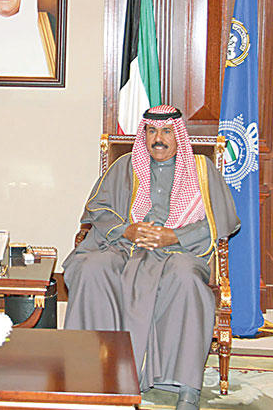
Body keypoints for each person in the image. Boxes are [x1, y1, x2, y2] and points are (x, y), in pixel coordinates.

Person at [63, 105, 240, 410]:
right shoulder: (125, 166)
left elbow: (221, 219)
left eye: (167, 131)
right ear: (143, 134)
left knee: (186, 279)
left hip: (179, 251)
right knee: (92, 268)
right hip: (125, 247)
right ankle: (93, 371)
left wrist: (175, 236)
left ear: (178, 135)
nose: (159, 139)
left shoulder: (201, 170)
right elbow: (98, 210)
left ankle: (186, 387)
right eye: (152, 131)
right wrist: (127, 230)